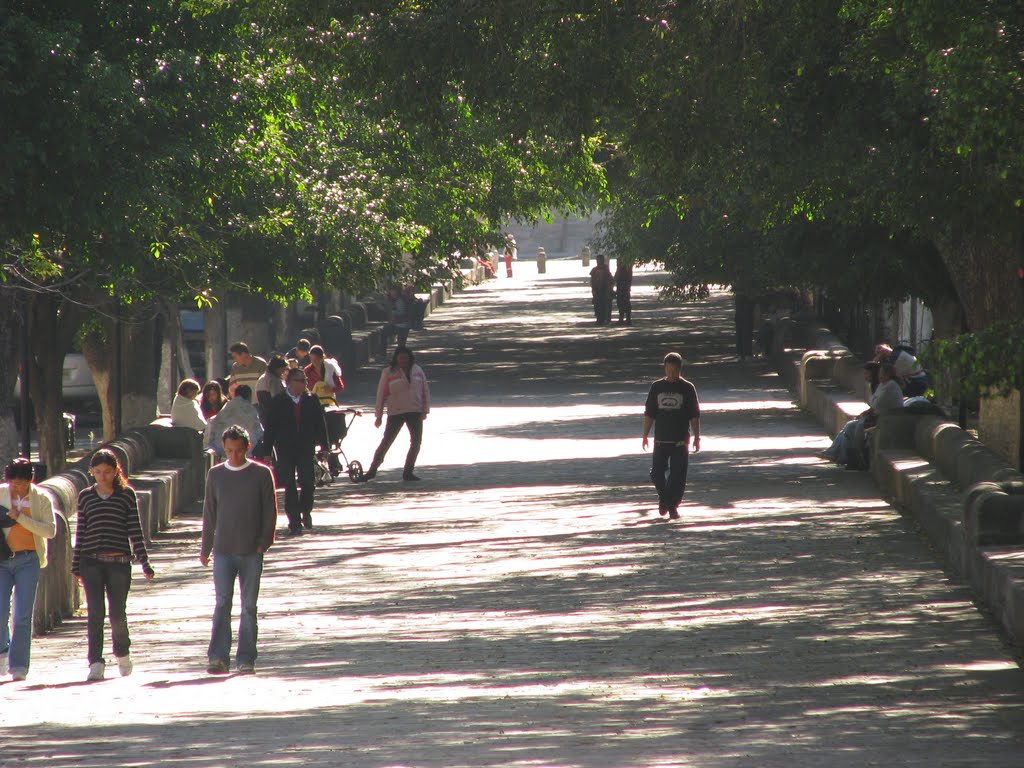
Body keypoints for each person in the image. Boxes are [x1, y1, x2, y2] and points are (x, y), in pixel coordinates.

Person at [73, 449, 154, 681]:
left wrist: (144, 562)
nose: (102, 477)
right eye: (97, 472)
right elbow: (81, 532)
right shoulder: (86, 496)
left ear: (116, 471)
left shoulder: (126, 495)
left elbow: (135, 530)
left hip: (119, 562)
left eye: (107, 472)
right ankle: (95, 662)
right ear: (92, 472)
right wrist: (76, 565)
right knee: (95, 614)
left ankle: (122, 651)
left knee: (117, 614)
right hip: (91, 562)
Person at [201, 425, 277, 675]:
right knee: (222, 603)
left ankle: (246, 658)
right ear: (224, 448)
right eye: (229, 450)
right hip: (223, 549)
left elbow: (270, 510)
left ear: (247, 447)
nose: (233, 455)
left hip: (251, 550)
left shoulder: (261, 474)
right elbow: (210, 513)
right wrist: (206, 547)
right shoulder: (215, 474)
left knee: (248, 606)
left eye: (238, 450)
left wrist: (264, 541)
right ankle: (218, 656)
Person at [0, 458, 56, 682]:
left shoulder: (41, 498)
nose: (17, 487)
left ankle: (19, 664)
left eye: (21, 483)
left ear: (30, 480)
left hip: (28, 560)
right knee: (1, 611)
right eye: (13, 483)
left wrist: (21, 518)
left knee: (22, 615)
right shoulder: (2, 494)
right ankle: (3, 651)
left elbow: (49, 530)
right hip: (3, 560)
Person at [255, 367, 329, 535]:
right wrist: (267, 451)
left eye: (305, 381)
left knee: (308, 482)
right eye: (300, 380)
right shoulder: (279, 401)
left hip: (305, 448)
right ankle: (294, 522)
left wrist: (325, 446)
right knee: (289, 484)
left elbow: (320, 423)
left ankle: (306, 510)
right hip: (285, 449)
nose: (304, 384)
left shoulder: (311, 399)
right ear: (289, 383)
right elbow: (270, 427)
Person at [642, 352, 701, 520]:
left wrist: (697, 437)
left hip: (680, 440)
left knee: (677, 476)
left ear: (680, 370)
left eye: (674, 371)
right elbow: (649, 413)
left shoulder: (688, 388)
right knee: (656, 474)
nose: (671, 374)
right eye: (668, 370)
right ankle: (665, 497)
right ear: (664, 368)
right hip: (660, 439)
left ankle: (673, 506)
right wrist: (645, 435)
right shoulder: (656, 387)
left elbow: (694, 415)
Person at [365, 346, 431, 482]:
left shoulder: (417, 370)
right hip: (396, 412)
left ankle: (408, 472)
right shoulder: (388, 373)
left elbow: (425, 390)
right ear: (396, 358)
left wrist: (425, 410)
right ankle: (372, 471)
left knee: (416, 443)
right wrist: (379, 416)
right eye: (400, 358)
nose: (403, 360)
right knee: (387, 442)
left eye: (406, 358)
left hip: (415, 411)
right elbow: (381, 394)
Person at [821, 362, 904, 467]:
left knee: (855, 427)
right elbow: (874, 403)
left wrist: (873, 403)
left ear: (887, 375)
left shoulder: (891, 386)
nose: (879, 375)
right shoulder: (883, 385)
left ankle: (845, 456)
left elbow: (876, 403)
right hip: (878, 416)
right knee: (850, 426)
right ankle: (834, 453)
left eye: (881, 373)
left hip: (885, 418)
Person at [205, 385, 264, 457]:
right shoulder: (249, 408)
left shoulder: (227, 407)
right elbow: (259, 432)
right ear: (249, 396)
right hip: (244, 449)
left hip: (224, 449)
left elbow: (215, 425)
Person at [255, 355, 289, 424]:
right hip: (272, 412)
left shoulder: (264, 377)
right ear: (278, 368)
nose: (283, 371)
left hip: (263, 412)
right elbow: (277, 397)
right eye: (283, 369)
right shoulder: (273, 379)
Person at [382, 286, 411, 355]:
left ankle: (384, 353)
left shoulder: (399, 301)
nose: (392, 294)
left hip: (401, 325)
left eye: (393, 292)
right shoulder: (397, 300)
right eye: (391, 292)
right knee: (384, 332)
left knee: (401, 344)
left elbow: (401, 313)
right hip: (401, 325)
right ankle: (383, 352)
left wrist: (393, 311)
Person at [590, 254, 614, 325]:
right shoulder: (594, 269)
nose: (598, 261)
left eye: (600, 260)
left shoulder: (606, 269)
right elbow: (592, 280)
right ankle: (599, 319)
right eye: (597, 260)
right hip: (597, 290)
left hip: (605, 290)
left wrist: (610, 289)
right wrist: (593, 289)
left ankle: (605, 318)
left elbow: (611, 280)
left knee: (605, 305)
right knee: (597, 305)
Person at [614, 258, 633, 325]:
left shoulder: (624, 269)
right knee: (621, 303)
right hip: (622, 288)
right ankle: (624, 319)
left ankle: (626, 319)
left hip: (623, 288)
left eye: (618, 262)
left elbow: (616, 277)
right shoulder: (626, 269)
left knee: (624, 303)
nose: (617, 263)